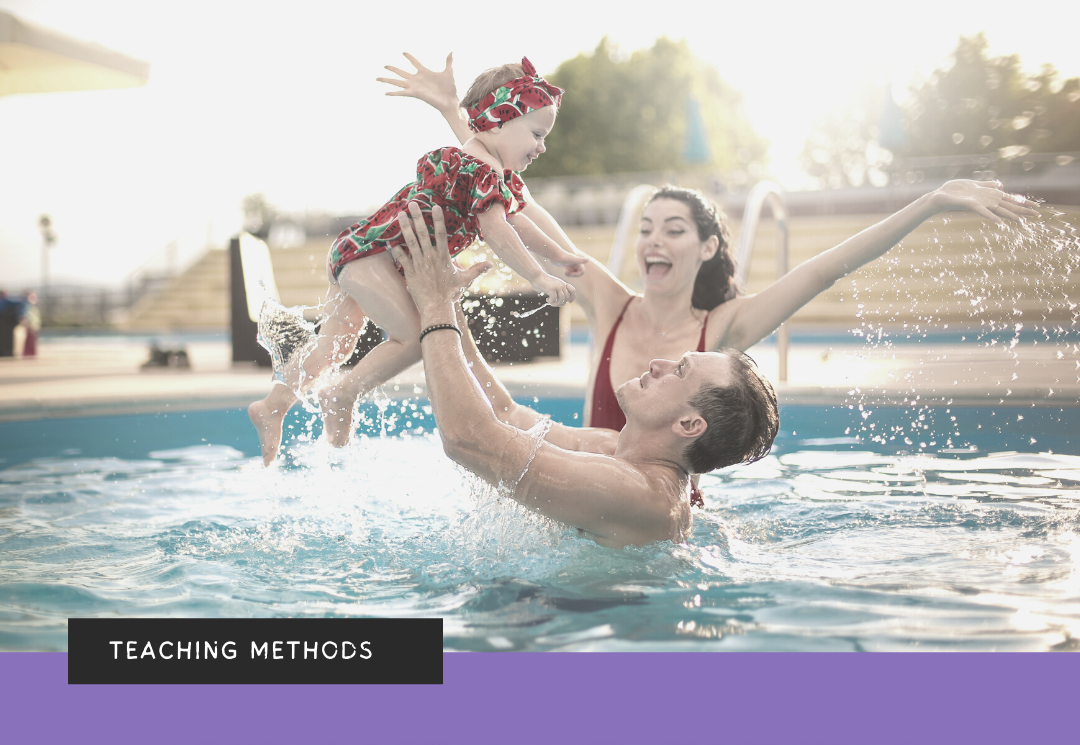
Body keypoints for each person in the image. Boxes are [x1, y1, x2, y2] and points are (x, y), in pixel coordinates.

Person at [380, 53, 1040, 430]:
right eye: (645, 229)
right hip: (575, 500)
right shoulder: (608, 305)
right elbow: (515, 200)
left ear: (705, 248)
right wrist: (456, 116)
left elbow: (823, 270)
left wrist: (926, 204)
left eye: (672, 230)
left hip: (651, 525)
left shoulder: (722, 331)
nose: (652, 242)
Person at [248, 57, 586, 466]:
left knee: (335, 345)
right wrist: (537, 276)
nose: (542, 146)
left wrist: (561, 256)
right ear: (498, 121)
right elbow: (499, 231)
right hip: (373, 257)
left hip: (359, 252)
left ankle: (273, 405)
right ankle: (341, 395)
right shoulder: (477, 168)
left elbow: (518, 222)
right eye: (536, 133)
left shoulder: (489, 171)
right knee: (414, 340)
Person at [391, 200, 778, 547]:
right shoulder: (616, 450)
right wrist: (448, 300)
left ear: (690, 425)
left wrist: (434, 304)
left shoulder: (636, 493)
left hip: (580, 618)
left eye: (679, 370)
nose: (659, 364)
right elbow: (505, 415)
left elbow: (469, 441)